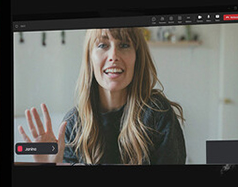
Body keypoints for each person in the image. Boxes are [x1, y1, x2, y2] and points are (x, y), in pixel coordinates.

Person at [20, 26, 187, 166]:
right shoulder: (73, 125)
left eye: (124, 45)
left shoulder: (158, 114)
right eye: (102, 45)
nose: (113, 56)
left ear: (137, 57)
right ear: (90, 58)